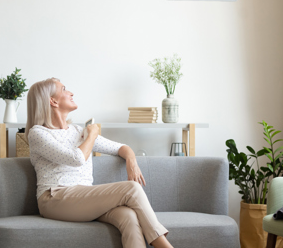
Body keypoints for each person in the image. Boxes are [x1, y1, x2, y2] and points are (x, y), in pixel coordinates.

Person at [25, 77, 173, 248]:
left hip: (83, 198)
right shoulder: (38, 133)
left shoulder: (78, 131)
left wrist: (131, 161)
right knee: (131, 188)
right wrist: (92, 135)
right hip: (54, 198)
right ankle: (162, 244)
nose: (71, 93)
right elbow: (77, 159)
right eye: (64, 89)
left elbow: (122, 148)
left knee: (128, 216)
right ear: (53, 101)